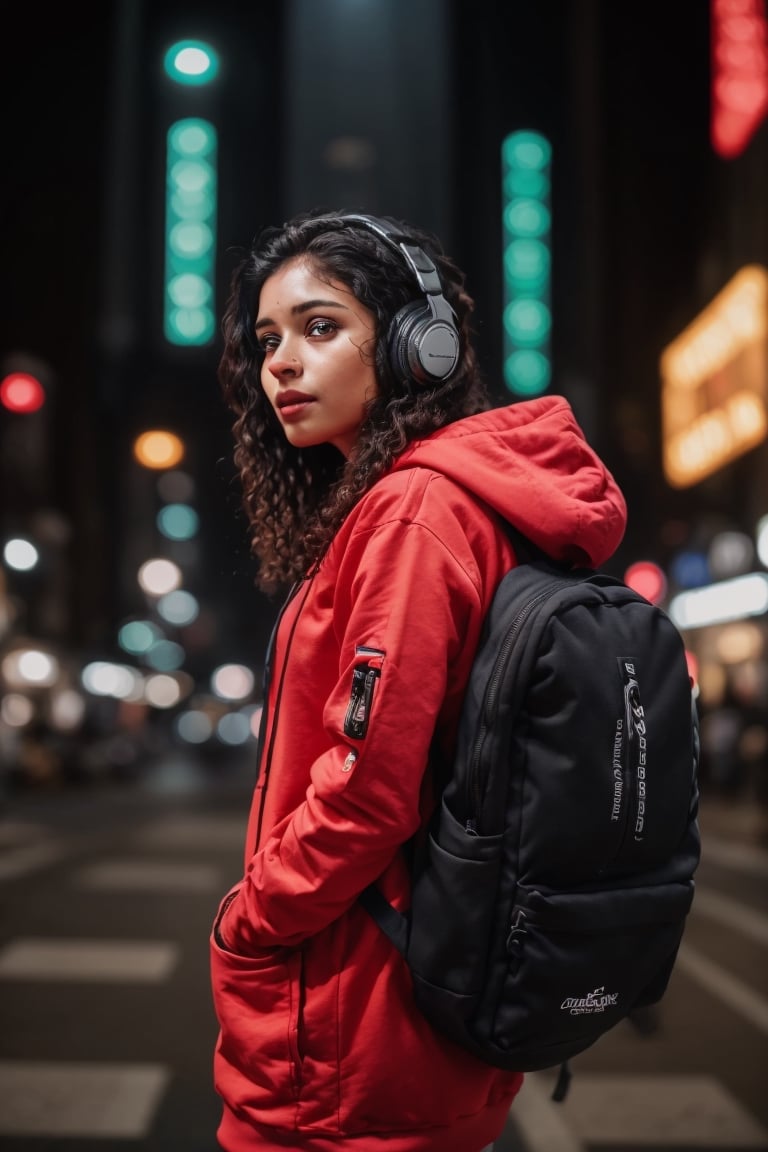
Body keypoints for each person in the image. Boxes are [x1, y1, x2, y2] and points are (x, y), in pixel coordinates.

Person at [210, 208, 628, 1152]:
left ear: (418, 343)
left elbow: (368, 789)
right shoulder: (466, 502)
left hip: (351, 1013)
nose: (280, 361)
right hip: (434, 975)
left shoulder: (412, 512)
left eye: (321, 327)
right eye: (267, 338)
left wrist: (254, 917)